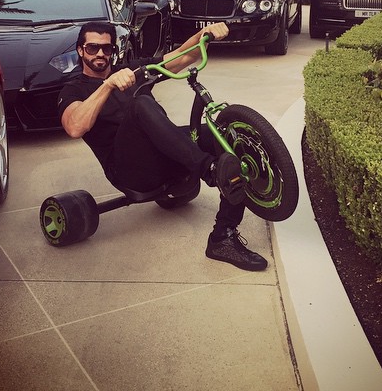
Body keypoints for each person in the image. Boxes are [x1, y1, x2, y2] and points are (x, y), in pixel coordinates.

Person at [57, 21, 268, 271]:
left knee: (225, 135)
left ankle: (223, 238)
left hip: (167, 155)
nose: (100, 54)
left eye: (106, 48)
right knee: (140, 104)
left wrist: (204, 34)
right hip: (131, 173)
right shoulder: (74, 89)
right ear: (80, 50)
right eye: (93, 48)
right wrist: (108, 85)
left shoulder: (132, 71)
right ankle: (209, 169)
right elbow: (75, 127)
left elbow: (181, 57)